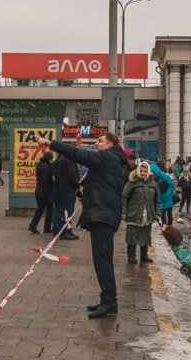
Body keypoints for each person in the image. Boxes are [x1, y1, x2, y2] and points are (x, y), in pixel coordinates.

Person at [38, 132, 130, 318]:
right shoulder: (115, 160)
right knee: (102, 258)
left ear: (111, 145)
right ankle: (107, 299)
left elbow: (78, 154)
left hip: (103, 215)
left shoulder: (107, 158)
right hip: (105, 213)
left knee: (102, 259)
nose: (96, 144)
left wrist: (51, 143)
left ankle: (109, 302)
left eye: (100, 141)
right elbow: (100, 184)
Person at [122, 161, 160, 264]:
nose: (143, 173)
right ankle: (131, 256)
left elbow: (157, 200)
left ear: (148, 172)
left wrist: (157, 213)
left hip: (148, 215)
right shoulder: (132, 182)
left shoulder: (153, 183)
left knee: (145, 236)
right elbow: (124, 197)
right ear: (138, 171)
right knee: (132, 236)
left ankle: (144, 256)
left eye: (145, 171)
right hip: (133, 214)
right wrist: (124, 213)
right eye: (141, 171)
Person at [52, 151, 80, 240]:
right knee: (67, 212)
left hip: (61, 189)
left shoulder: (60, 160)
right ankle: (65, 232)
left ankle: (61, 230)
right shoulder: (69, 161)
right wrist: (78, 185)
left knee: (61, 210)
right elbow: (71, 175)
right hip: (68, 190)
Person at [29, 151, 55, 234]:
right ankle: (47, 228)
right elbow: (47, 180)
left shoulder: (39, 165)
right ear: (49, 159)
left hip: (38, 191)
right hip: (46, 192)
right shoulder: (47, 167)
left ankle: (33, 225)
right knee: (49, 210)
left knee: (40, 209)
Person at [147, 160, 177, 226]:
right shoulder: (152, 178)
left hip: (168, 197)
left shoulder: (162, 175)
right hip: (160, 198)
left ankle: (170, 227)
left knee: (169, 214)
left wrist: (167, 194)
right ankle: (165, 228)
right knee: (162, 215)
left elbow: (171, 184)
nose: (152, 174)